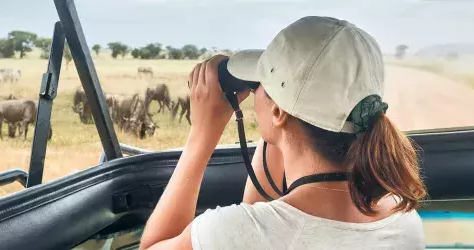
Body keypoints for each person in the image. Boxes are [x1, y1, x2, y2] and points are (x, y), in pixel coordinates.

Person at [139, 16, 427, 249]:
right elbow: (264, 220)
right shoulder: (404, 222)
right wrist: (278, 121)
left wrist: (201, 136)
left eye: (261, 85)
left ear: (278, 111)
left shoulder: (231, 232)